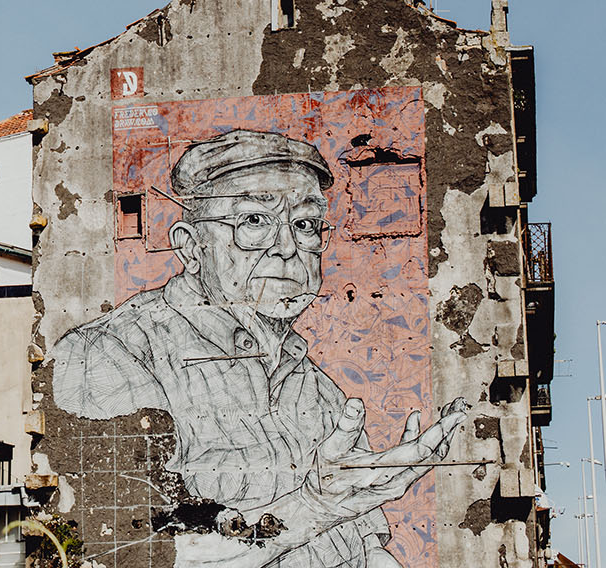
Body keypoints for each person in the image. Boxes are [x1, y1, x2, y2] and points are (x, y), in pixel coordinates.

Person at [52, 130, 466, 568]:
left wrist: (355, 503)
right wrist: (317, 504)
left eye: (305, 225)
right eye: (253, 221)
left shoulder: (320, 391)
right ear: (191, 247)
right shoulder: (107, 354)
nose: (288, 248)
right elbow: (135, 554)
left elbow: (366, 552)